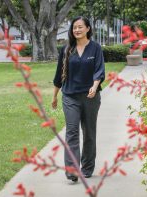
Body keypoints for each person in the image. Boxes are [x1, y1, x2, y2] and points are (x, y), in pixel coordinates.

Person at [52, 16, 105, 182]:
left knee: (89, 132)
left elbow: (99, 70)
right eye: (74, 27)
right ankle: (72, 170)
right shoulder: (66, 49)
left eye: (80, 27)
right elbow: (59, 75)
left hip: (91, 97)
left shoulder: (95, 48)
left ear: (88, 28)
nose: (77, 30)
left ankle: (87, 168)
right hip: (70, 96)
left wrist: (95, 86)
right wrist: (54, 96)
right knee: (72, 132)